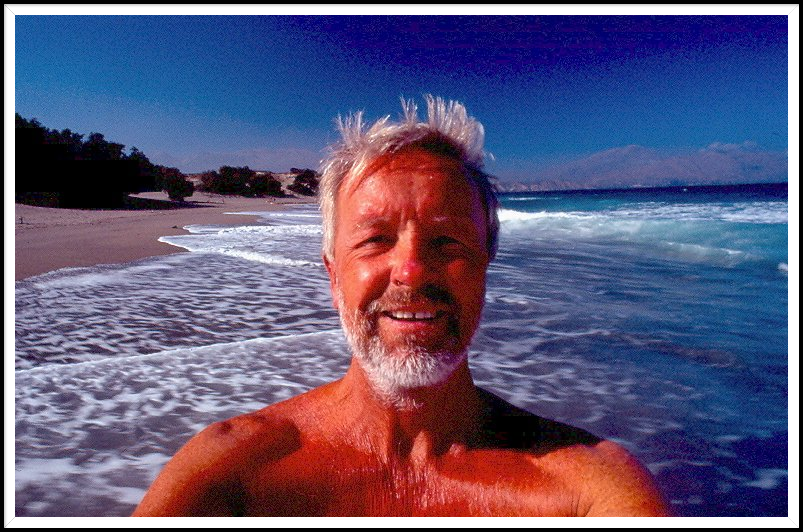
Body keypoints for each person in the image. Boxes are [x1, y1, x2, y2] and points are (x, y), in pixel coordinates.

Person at [133, 96, 671, 517]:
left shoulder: (585, 491)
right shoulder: (232, 474)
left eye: (447, 241)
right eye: (376, 239)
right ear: (333, 274)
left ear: (485, 264)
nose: (411, 271)